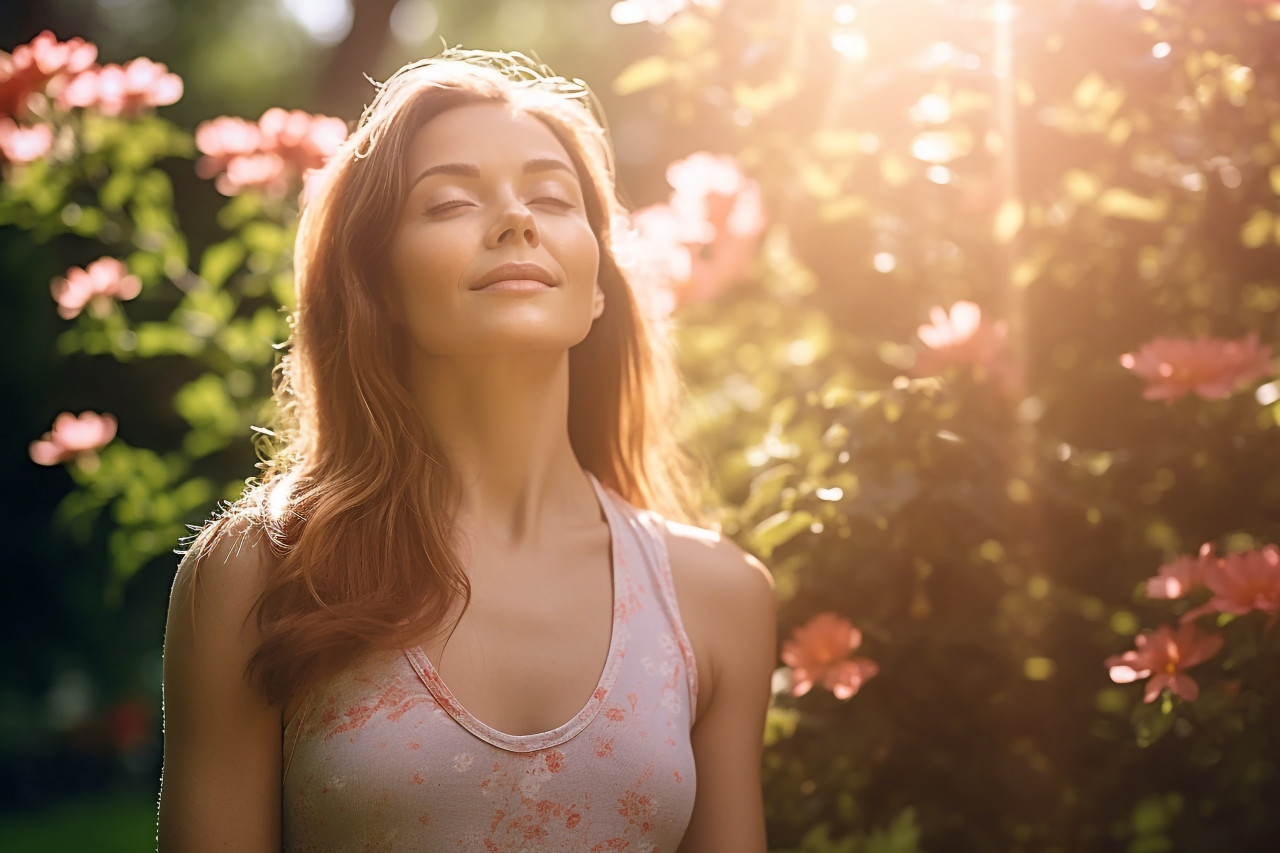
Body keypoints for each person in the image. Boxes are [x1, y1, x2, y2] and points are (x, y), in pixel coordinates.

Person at [156, 48, 776, 852]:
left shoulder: (716, 597)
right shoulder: (260, 572)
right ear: (377, 286)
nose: (517, 219)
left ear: (595, 288)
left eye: (552, 198)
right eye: (449, 203)